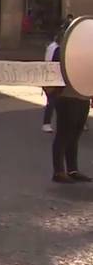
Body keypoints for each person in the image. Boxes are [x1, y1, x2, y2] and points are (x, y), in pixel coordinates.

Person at [50, 32, 92, 183]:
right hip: (66, 97)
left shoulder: (87, 52)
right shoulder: (61, 50)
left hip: (83, 96)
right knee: (63, 134)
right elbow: (54, 71)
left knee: (75, 134)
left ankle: (73, 169)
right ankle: (59, 171)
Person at [42, 31, 60, 133]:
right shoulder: (56, 48)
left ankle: (47, 123)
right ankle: (46, 123)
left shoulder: (52, 46)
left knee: (55, 102)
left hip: (51, 77)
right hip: (52, 78)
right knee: (52, 101)